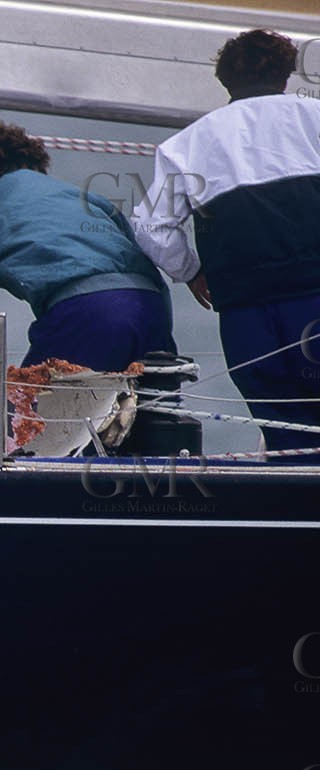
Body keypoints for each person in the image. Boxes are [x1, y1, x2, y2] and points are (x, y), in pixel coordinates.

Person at [131, 28, 320, 460]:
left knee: (287, 435)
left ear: (224, 81)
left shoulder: (188, 143)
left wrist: (192, 272)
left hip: (245, 315)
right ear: (287, 72)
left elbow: (149, 227)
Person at [0, 121, 176, 371]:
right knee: (151, 425)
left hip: (89, 314)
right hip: (151, 312)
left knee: (22, 420)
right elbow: (143, 257)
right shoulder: (87, 199)